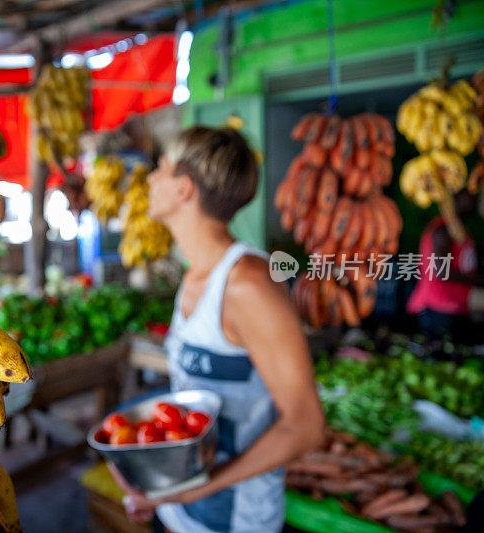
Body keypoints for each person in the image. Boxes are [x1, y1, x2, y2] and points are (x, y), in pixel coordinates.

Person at [109, 126, 325, 532]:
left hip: (235, 518)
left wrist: (198, 488)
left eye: (161, 168)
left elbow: (307, 425)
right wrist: (163, 489)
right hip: (181, 511)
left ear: (183, 189)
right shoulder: (195, 277)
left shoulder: (247, 283)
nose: (151, 178)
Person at [406, 189, 484, 340]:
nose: (474, 199)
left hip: (458, 305)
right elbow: (441, 271)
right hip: (437, 307)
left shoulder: (462, 232)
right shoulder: (442, 231)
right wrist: (483, 280)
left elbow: (467, 266)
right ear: (455, 200)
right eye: (469, 196)